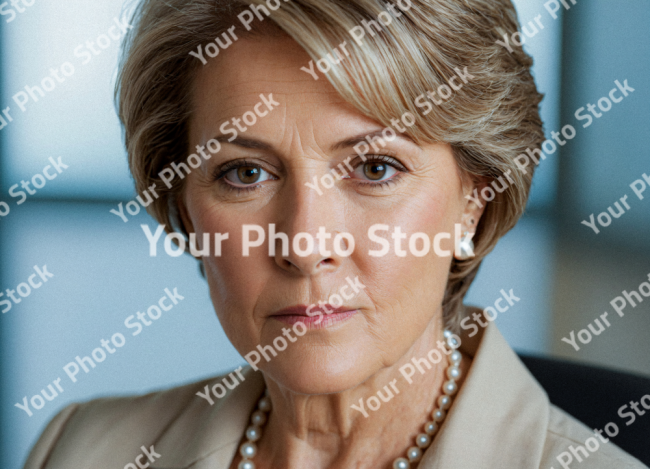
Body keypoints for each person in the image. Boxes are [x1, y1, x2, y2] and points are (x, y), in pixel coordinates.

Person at [23, 0, 648, 468]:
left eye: (376, 168)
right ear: (185, 211)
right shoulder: (79, 449)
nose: (303, 244)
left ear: (473, 206)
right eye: (245, 173)